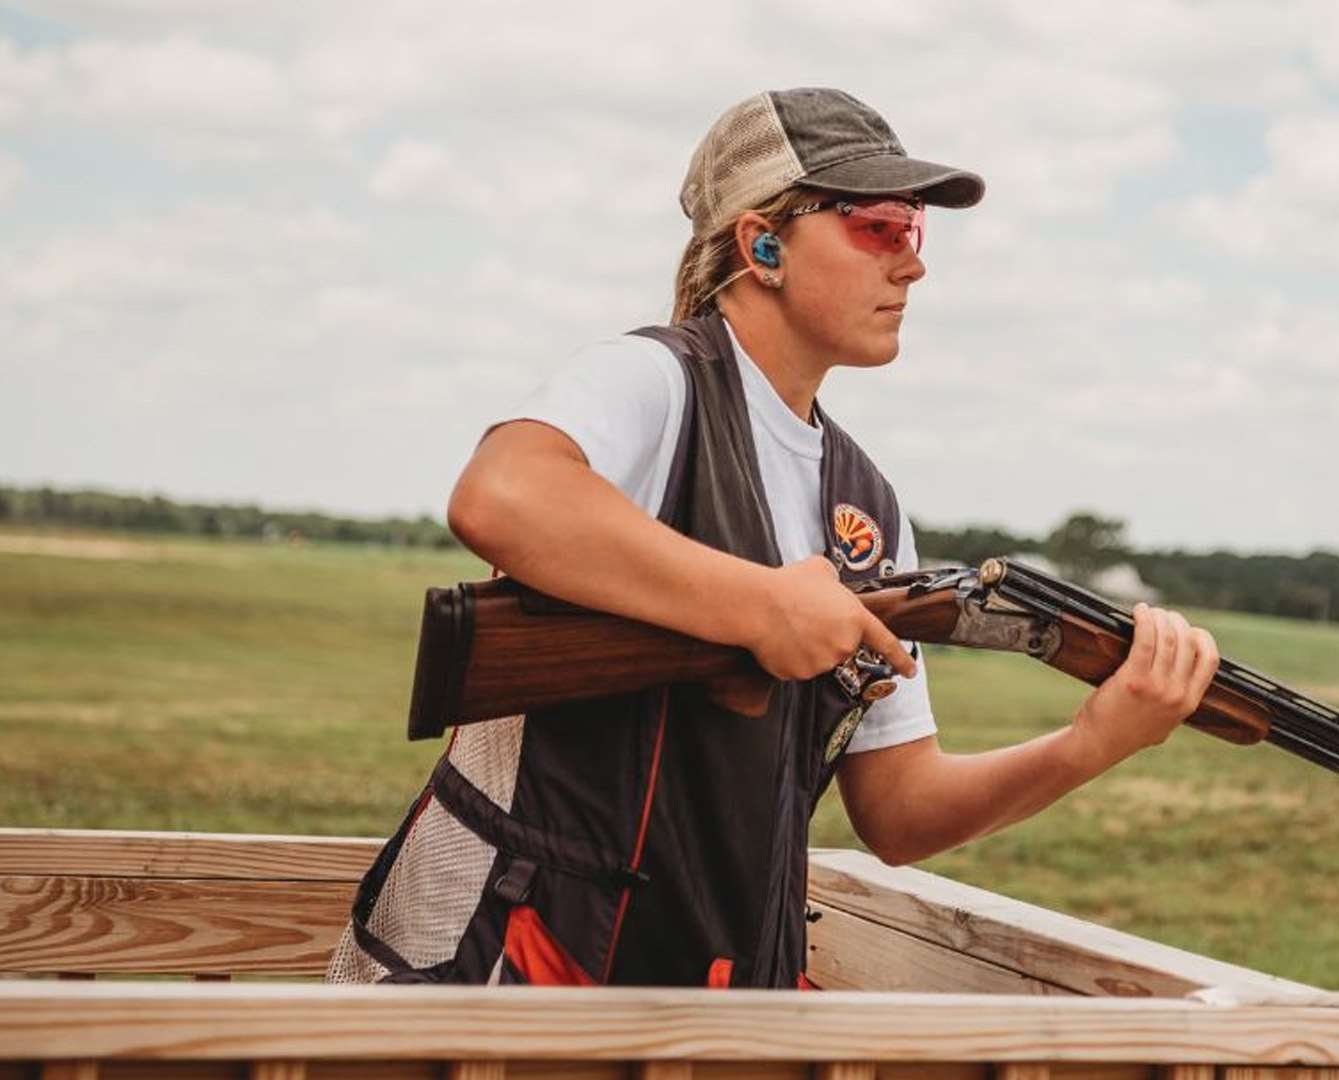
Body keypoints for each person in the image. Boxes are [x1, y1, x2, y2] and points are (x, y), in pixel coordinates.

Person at [325, 88, 1220, 989]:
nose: (912, 266)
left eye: (916, 231)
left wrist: (1095, 741)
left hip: (703, 998)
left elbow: (901, 812)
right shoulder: (654, 381)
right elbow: (502, 495)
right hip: (506, 966)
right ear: (762, 244)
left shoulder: (866, 502)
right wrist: (761, 605)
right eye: (879, 227)